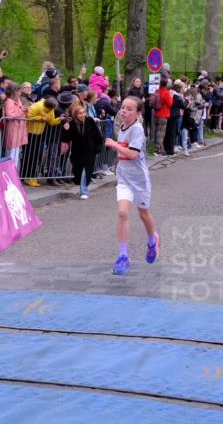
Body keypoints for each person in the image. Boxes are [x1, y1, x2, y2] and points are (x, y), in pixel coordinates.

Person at [105, 96, 159, 275]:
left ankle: (152, 241)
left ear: (138, 113)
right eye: (123, 107)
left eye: (129, 109)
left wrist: (114, 145)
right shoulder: (122, 125)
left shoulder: (137, 129)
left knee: (143, 214)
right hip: (124, 179)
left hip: (139, 180)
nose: (124, 111)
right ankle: (123, 257)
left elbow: (133, 154)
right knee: (122, 212)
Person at [62, 101, 102, 198]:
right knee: (78, 170)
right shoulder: (72, 124)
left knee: (86, 170)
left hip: (89, 150)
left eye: (84, 112)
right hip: (77, 151)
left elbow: (97, 135)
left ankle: (84, 191)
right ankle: (81, 186)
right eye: (80, 113)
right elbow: (68, 138)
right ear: (75, 115)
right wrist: (66, 129)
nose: (83, 115)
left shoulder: (90, 121)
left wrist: (98, 146)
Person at [3, 82, 28, 170]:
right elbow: (9, 115)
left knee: (15, 156)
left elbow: (19, 112)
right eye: (18, 91)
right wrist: (22, 111)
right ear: (14, 92)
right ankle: (10, 174)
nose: (20, 93)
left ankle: (13, 174)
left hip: (18, 132)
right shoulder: (9, 102)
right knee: (11, 156)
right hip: (13, 132)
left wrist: (25, 110)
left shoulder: (18, 101)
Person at [150, 77, 172, 155]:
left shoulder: (157, 91)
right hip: (163, 115)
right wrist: (171, 97)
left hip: (156, 113)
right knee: (161, 133)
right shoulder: (166, 92)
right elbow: (170, 104)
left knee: (157, 131)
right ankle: (159, 150)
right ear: (166, 84)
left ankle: (159, 149)